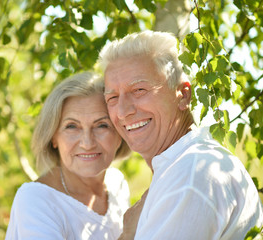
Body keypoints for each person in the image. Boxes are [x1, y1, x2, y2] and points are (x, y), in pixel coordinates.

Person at [98, 30, 263, 239]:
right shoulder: (180, 165)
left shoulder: (192, 172)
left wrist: (128, 233)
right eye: (112, 97)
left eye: (139, 90)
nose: (122, 111)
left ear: (183, 95)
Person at [5, 72, 131, 239]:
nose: (87, 143)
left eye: (101, 125)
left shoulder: (117, 184)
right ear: (54, 137)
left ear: (119, 135)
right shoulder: (36, 200)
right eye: (72, 126)